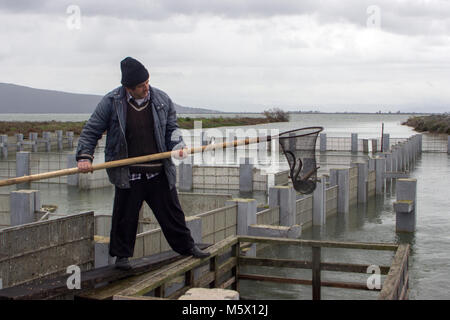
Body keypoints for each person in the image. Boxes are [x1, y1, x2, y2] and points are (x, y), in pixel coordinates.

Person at [76, 57, 210, 270]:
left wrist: (178, 145)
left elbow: (171, 129)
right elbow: (91, 130)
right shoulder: (111, 102)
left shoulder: (161, 99)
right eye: (141, 86)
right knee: (124, 217)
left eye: (147, 82)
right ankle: (122, 258)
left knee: (173, 214)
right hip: (129, 174)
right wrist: (84, 156)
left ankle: (188, 247)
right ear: (128, 88)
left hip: (158, 171)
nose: (146, 88)